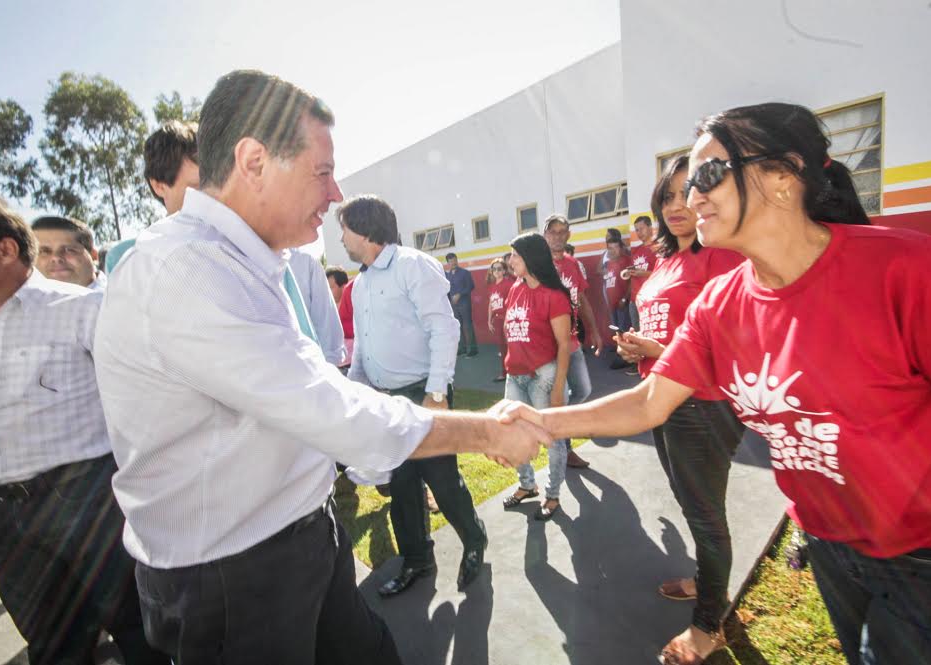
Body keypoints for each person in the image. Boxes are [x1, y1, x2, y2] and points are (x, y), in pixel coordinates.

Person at [93, 70, 547, 664]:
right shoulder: (185, 271)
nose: (335, 196)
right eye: (323, 171)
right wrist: (486, 429)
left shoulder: (240, 260)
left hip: (298, 535)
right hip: (236, 577)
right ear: (253, 160)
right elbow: (325, 408)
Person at [497, 102, 931, 665]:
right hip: (829, 546)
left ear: (781, 175)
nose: (692, 197)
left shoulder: (914, 274)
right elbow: (650, 400)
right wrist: (538, 422)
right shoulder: (722, 304)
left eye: (707, 175)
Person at [0, 190, 167, 665]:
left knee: (143, 636)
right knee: (55, 652)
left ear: (4, 249)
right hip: (2, 523)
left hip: (89, 506)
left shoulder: (83, 310)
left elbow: (149, 407)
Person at [615, 155, 745, 661]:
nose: (675, 206)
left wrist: (655, 351)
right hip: (662, 400)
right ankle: (707, 579)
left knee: (707, 513)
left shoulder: (724, 258)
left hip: (704, 405)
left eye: (684, 193)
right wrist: (637, 348)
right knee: (693, 504)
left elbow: (730, 349)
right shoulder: (665, 262)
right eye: (665, 197)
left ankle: (710, 623)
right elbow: (667, 334)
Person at [340, 194, 488, 596]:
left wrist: (436, 394)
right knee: (402, 486)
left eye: (345, 229)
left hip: (425, 394)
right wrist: (355, 393)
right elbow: (365, 350)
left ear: (366, 229)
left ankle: (474, 539)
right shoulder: (361, 285)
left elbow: (445, 329)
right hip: (387, 401)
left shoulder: (412, 265)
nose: (341, 239)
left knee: (441, 479)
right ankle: (418, 560)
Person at [499, 232, 572, 520]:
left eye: (515, 255)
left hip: (543, 376)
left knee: (551, 438)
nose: (510, 260)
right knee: (511, 434)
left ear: (530, 258)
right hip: (514, 375)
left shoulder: (554, 296)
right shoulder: (515, 288)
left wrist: (558, 388)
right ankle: (527, 486)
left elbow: (565, 344)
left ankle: (552, 495)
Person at [105, 120, 200, 273]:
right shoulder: (123, 260)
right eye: (199, 188)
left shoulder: (242, 246)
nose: (215, 197)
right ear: (159, 186)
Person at [544, 214, 600, 469]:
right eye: (553, 232)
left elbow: (583, 299)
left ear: (568, 235)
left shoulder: (574, 265)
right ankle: (564, 449)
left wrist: (595, 330)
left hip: (572, 341)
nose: (557, 236)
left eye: (562, 231)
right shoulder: (539, 265)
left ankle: (557, 427)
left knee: (583, 390)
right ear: (545, 235)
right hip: (549, 345)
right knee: (561, 398)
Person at [31, 215, 105, 289]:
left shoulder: (114, 297)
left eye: (69, 250)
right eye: (43, 251)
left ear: (93, 255)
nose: (55, 258)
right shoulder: (24, 298)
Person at [603, 230, 632, 369]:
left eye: (615, 247)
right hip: (612, 305)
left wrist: (625, 299)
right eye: (609, 248)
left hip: (622, 303)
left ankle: (627, 359)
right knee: (617, 330)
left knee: (624, 330)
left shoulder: (626, 260)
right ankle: (622, 355)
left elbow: (632, 282)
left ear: (620, 247)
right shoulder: (608, 263)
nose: (612, 251)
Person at [623, 215, 656, 331]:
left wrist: (643, 273)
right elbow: (634, 273)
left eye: (641, 228)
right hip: (634, 300)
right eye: (636, 230)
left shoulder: (659, 248)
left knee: (651, 334)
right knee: (638, 334)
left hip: (652, 299)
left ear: (650, 228)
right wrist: (629, 273)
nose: (639, 232)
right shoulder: (636, 250)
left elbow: (663, 274)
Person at [486, 257, 515, 382]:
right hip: (497, 320)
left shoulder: (509, 284)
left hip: (507, 319)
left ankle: (514, 372)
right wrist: (489, 320)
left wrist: (508, 320)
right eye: (494, 269)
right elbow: (491, 304)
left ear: (504, 271)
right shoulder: (492, 287)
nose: (496, 271)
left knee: (512, 347)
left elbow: (513, 302)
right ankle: (504, 373)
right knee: (502, 348)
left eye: (499, 269)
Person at [445, 251, 478, 357]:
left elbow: (471, 286)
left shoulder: (465, 273)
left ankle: (473, 349)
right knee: (457, 326)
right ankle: (462, 348)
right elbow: (447, 290)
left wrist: (460, 294)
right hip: (453, 306)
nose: (454, 263)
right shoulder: (447, 275)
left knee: (467, 325)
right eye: (451, 261)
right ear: (448, 263)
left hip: (464, 303)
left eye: (455, 260)